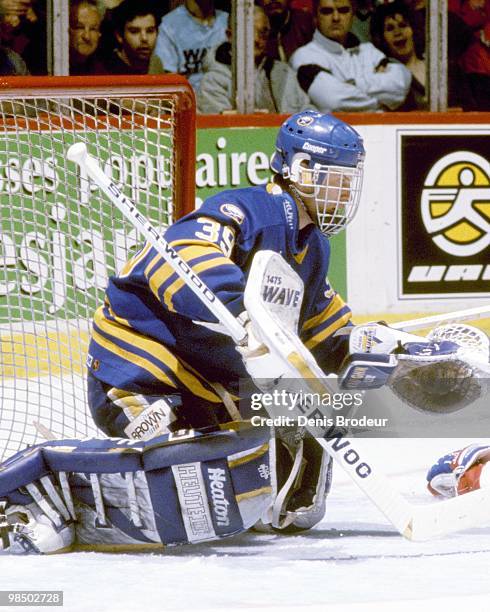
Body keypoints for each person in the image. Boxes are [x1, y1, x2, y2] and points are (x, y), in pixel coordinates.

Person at [1, 111, 486, 554]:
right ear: (301, 171)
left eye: (349, 183)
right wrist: (242, 310)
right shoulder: (249, 210)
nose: (346, 194)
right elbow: (179, 255)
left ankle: (236, 485)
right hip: (138, 369)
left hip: (208, 384)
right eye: (338, 181)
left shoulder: (312, 246)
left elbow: (322, 332)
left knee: (297, 452)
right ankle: (50, 481)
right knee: (171, 452)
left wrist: (380, 351)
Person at [289, 0, 411, 112]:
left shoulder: (369, 51)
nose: (336, 18)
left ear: (352, 15)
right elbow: (334, 102)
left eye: (343, 10)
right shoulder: (304, 57)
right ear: (315, 17)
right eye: (327, 11)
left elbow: (400, 83)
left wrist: (354, 84)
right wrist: (382, 104)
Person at [197, 5, 312, 114]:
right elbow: (220, 128)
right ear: (230, 36)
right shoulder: (213, 82)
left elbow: (307, 111)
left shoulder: (283, 73)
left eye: (263, 32)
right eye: (249, 31)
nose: (256, 39)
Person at [149, 0, 228, 92]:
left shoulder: (228, 21)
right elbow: (169, 79)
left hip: (225, 98)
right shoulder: (169, 25)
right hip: (188, 100)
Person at [370, 0, 428, 110]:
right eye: (390, 28)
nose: (398, 32)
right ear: (381, 39)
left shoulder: (438, 69)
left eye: (403, 25)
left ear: (414, 30)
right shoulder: (382, 77)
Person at [97, 0, 161, 74]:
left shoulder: (156, 64)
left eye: (150, 31)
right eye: (135, 31)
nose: (144, 38)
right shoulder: (104, 70)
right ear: (119, 36)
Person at [69, 0, 104, 75]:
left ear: (99, 33)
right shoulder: (54, 68)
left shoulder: (103, 73)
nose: (87, 36)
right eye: (79, 27)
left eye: (93, 29)